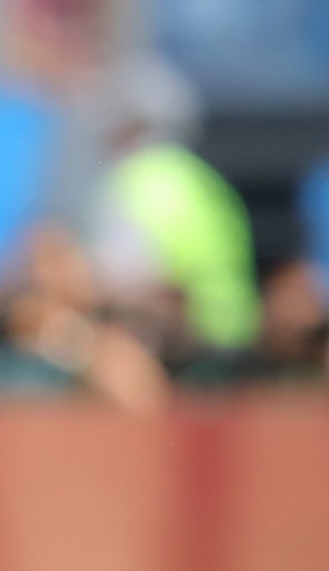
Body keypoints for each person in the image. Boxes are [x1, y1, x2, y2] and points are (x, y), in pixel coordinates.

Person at [86, 55, 259, 368]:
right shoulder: (200, 177)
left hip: (181, 350)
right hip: (235, 343)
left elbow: (124, 280)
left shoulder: (135, 179)